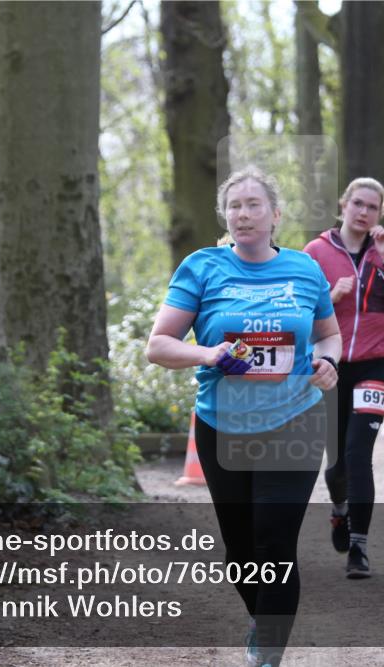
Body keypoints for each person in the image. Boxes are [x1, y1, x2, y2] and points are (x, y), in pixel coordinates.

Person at [146, 165, 342, 667]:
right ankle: (262, 620)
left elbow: (328, 335)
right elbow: (159, 345)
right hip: (222, 427)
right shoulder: (202, 267)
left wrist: (328, 362)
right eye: (235, 206)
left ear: (274, 215)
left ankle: (268, 655)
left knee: (275, 544)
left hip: (294, 420)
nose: (244, 213)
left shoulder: (304, 270)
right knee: (240, 552)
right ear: (225, 216)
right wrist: (209, 354)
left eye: (254, 204)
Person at [303, 177, 384, 578]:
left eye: (372, 206)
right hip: (331, 365)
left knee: (358, 455)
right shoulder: (316, 252)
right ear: (344, 205)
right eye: (357, 203)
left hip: (374, 365)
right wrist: (329, 297)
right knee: (335, 463)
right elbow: (295, 308)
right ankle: (339, 511)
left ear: (380, 213)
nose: (363, 212)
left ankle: (359, 548)